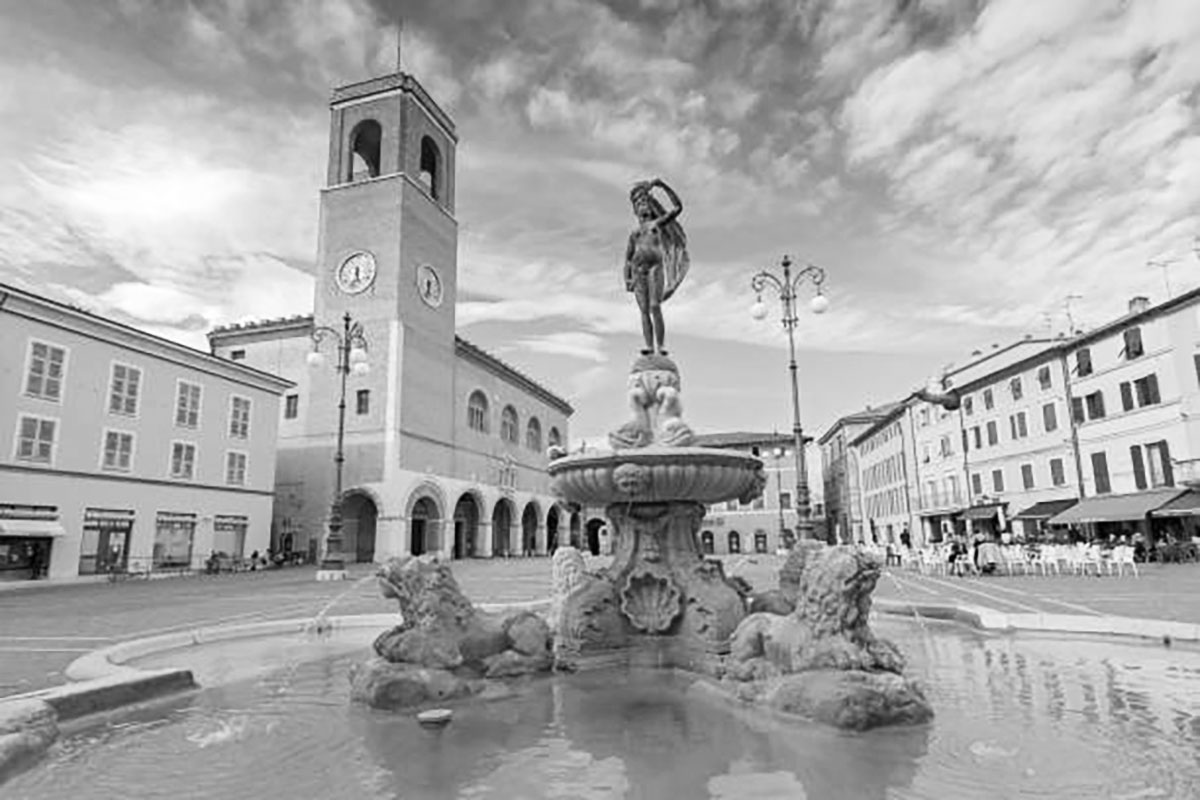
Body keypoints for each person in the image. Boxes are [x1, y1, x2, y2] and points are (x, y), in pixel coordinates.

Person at [624, 178, 688, 356]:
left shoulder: (658, 223)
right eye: (638, 203)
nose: (642, 204)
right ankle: (649, 347)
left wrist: (663, 185)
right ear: (635, 210)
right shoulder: (634, 233)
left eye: (645, 201)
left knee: (654, 306)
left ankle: (660, 346)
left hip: (655, 268)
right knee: (644, 310)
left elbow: (677, 208)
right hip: (638, 272)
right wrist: (627, 278)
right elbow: (628, 259)